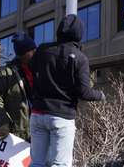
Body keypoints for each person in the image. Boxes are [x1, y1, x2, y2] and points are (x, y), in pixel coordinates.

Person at [30, 14, 105, 167]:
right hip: (61, 117)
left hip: (38, 114)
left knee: (37, 163)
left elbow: (31, 70)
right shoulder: (80, 58)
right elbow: (84, 92)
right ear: (79, 34)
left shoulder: (43, 50)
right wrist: (100, 95)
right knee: (60, 164)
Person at [0, 33, 36, 142]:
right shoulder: (6, 74)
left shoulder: (43, 69)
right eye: (29, 52)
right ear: (21, 54)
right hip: (20, 135)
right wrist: (4, 122)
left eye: (33, 51)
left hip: (41, 132)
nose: (33, 54)